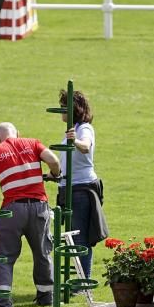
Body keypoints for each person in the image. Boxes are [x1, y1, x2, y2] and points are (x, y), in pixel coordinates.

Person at [0, 122, 61, 307]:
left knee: (2, 255)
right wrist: (55, 174)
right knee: (42, 253)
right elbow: (53, 161)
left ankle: (3, 302)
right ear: (18, 133)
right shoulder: (33, 143)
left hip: (12, 210)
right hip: (39, 207)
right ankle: (46, 297)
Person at [56, 89, 108, 280]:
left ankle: (83, 280)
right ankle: (80, 279)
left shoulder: (84, 129)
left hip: (80, 189)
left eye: (64, 107)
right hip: (69, 187)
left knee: (80, 239)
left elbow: (85, 146)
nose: (61, 110)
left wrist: (74, 140)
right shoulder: (74, 129)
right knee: (73, 237)